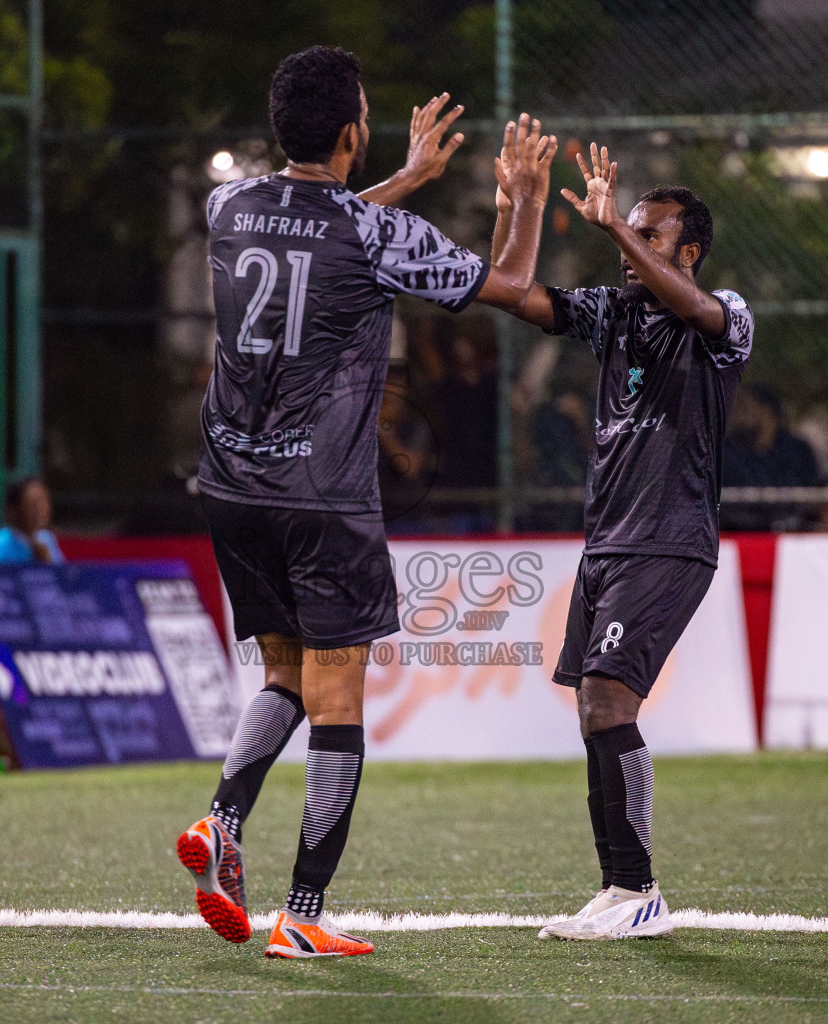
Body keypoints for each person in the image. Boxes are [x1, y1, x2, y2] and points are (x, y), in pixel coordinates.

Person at [177, 45, 555, 959]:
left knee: (284, 673)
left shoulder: (229, 206)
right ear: (354, 130)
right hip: (322, 494)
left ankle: (224, 823)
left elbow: (316, 225)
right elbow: (504, 287)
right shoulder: (379, 234)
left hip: (231, 482)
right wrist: (524, 204)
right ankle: (303, 913)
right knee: (337, 694)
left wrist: (405, 178)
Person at [493, 144, 753, 940]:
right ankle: (617, 889)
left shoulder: (726, 319)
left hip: (671, 541)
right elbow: (508, 293)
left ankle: (640, 891)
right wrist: (523, 205)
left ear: (689, 251)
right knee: (592, 710)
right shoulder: (612, 312)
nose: (628, 245)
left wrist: (612, 226)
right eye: (627, 230)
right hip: (606, 543)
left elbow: (693, 306)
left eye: (648, 234)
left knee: (610, 697)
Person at [720, 384, 828, 532]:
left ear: (767, 411)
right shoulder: (729, 450)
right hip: (741, 530)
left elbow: (817, 490)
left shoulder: (796, 450)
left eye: (746, 408)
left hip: (793, 531)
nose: (740, 415)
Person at [0, 476, 65, 565]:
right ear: (14, 509)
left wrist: (46, 561)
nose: (40, 510)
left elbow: (61, 575)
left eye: (44, 502)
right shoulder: (0, 542)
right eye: (32, 504)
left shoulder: (47, 538)